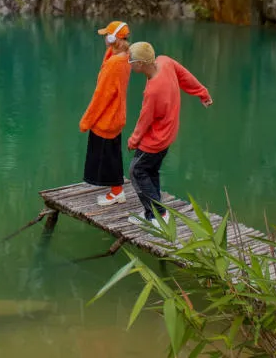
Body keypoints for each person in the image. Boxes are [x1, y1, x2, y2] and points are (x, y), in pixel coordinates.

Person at [125, 41, 212, 227]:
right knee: (151, 171)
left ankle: (157, 216)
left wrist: (133, 140)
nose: (128, 63)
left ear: (140, 64)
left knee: (137, 171)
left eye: (130, 60)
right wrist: (202, 93)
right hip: (168, 135)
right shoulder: (165, 62)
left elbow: (144, 120)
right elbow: (185, 76)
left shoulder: (153, 90)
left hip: (155, 140)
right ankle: (155, 212)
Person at [79, 21, 132, 206]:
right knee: (112, 155)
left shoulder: (114, 64)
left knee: (108, 158)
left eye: (106, 35)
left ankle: (116, 193)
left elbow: (101, 96)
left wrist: (86, 121)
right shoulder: (124, 57)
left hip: (106, 119)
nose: (104, 38)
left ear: (112, 38)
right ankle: (117, 191)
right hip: (116, 116)